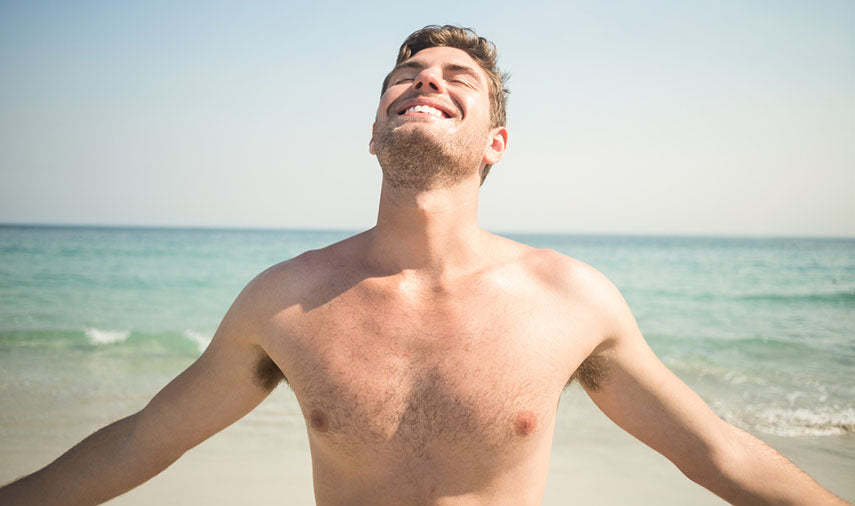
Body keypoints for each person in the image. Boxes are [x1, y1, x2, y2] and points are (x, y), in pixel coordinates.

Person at [0, 25, 846, 506]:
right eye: (403, 76)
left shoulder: (568, 298)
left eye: (455, 77)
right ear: (374, 129)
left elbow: (716, 456)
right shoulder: (286, 300)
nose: (423, 82)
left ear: (495, 144)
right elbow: (143, 444)